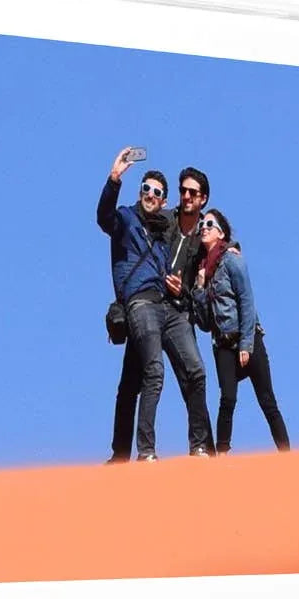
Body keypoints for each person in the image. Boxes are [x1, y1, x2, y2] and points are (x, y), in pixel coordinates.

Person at [97, 149, 211, 460]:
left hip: (167, 307)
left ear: (163, 202)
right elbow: (104, 217)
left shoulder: (162, 234)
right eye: (146, 189)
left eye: (157, 192)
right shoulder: (125, 219)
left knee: (195, 370)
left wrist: (176, 284)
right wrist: (114, 178)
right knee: (153, 373)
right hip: (140, 306)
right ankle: (145, 452)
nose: (150, 194)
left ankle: (199, 447)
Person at [192, 208, 290, 454]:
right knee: (227, 400)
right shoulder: (203, 270)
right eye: (202, 223)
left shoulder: (233, 260)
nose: (204, 226)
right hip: (223, 343)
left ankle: (287, 454)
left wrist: (247, 344)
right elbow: (204, 324)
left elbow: (247, 302)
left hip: (247, 338)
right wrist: (200, 287)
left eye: (210, 224)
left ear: (221, 233)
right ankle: (222, 454)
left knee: (267, 400)